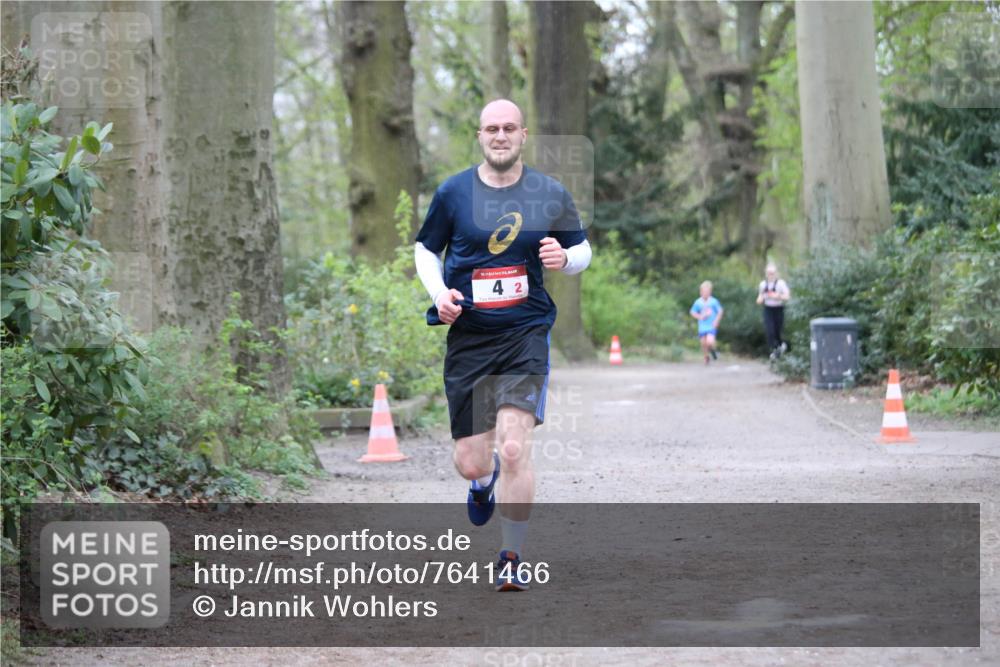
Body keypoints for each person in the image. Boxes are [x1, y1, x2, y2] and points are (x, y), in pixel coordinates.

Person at [413, 99, 591, 591]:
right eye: (491, 128)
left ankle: (511, 557)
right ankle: (480, 482)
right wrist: (439, 294)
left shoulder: (548, 192)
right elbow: (426, 249)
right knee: (471, 460)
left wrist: (565, 258)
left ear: (523, 135)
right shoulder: (454, 193)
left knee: (513, 448)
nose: (500, 135)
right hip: (471, 337)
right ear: (480, 136)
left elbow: (582, 249)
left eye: (509, 128)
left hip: (524, 334)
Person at [756, 263, 790, 359]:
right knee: (769, 330)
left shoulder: (781, 283)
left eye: (772, 273)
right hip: (768, 309)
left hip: (778, 309)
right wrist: (761, 299)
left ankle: (781, 346)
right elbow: (759, 298)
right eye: (769, 273)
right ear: (766, 273)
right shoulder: (763, 284)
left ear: (776, 273)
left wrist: (777, 296)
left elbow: (787, 296)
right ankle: (775, 349)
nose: (770, 275)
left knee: (777, 330)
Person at [690, 281, 723, 365]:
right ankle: (706, 357)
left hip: (711, 325)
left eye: (707, 291)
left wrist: (716, 321)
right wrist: (700, 317)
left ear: (710, 292)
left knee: (709, 341)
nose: (705, 293)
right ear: (700, 292)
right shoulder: (698, 302)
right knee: (703, 343)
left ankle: (713, 350)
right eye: (704, 291)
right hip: (702, 326)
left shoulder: (714, 301)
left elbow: (720, 311)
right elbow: (692, 312)